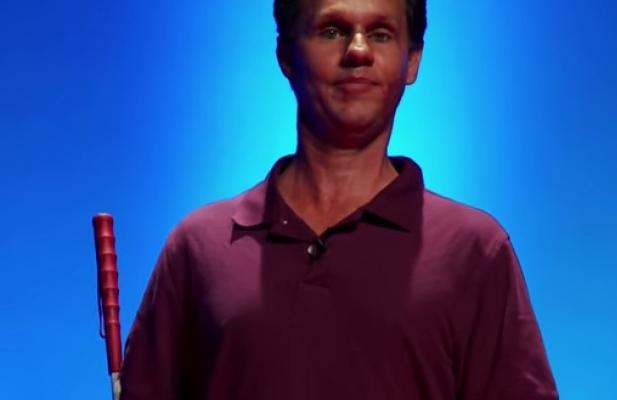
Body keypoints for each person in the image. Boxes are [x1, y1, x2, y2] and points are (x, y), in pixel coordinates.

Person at [119, 0, 559, 399]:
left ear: (413, 61)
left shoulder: (475, 252)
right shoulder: (199, 248)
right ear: (286, 56)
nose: (358, 51)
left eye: (381, 33)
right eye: (332, 30)